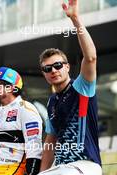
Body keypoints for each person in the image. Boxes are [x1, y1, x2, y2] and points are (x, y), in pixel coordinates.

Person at [38, 0, 102, 174]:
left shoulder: (81, 87)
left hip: (85, 166)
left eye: (58, 65)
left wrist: (75, 19)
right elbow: (50, 141)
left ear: (67, 67)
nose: (53, 70)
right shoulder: (51, 102)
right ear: (43, 73)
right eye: (47, 68)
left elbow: (90, 58)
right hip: (61, 168)